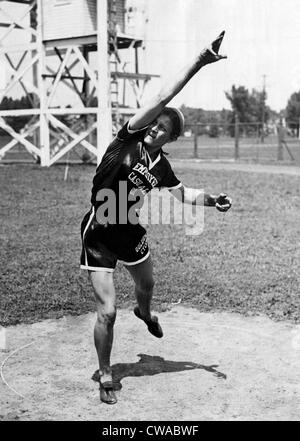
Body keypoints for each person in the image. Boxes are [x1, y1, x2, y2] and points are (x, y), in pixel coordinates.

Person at [80, 31, 232, 405]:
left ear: (171, 137)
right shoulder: (127, 139)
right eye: (154, 122)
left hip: (130, 232)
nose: (155, 128)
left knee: (146, 284)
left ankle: (145, 312)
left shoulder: (162, 166)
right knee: (108, 311)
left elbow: (183, 194)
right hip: (99, 231)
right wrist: (199, 60)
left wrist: (213, 200)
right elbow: (163, 96)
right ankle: (105, 372)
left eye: (163, 127)